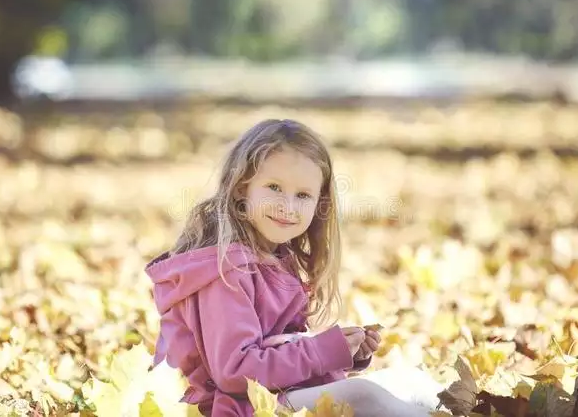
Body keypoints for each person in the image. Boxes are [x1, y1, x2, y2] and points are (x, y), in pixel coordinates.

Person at [145, 119, 444, 416]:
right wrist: (322, 352)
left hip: (261, 397)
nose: (288, 206)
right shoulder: (226, 271)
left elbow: (274, 349)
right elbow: (236, 372)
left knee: (408, 380)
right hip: (222, 406)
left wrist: (343, 354)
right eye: (274, 188)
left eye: (302, 195)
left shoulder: (275, 258)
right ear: (240, 190)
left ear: (318, 203)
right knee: (364, 396)